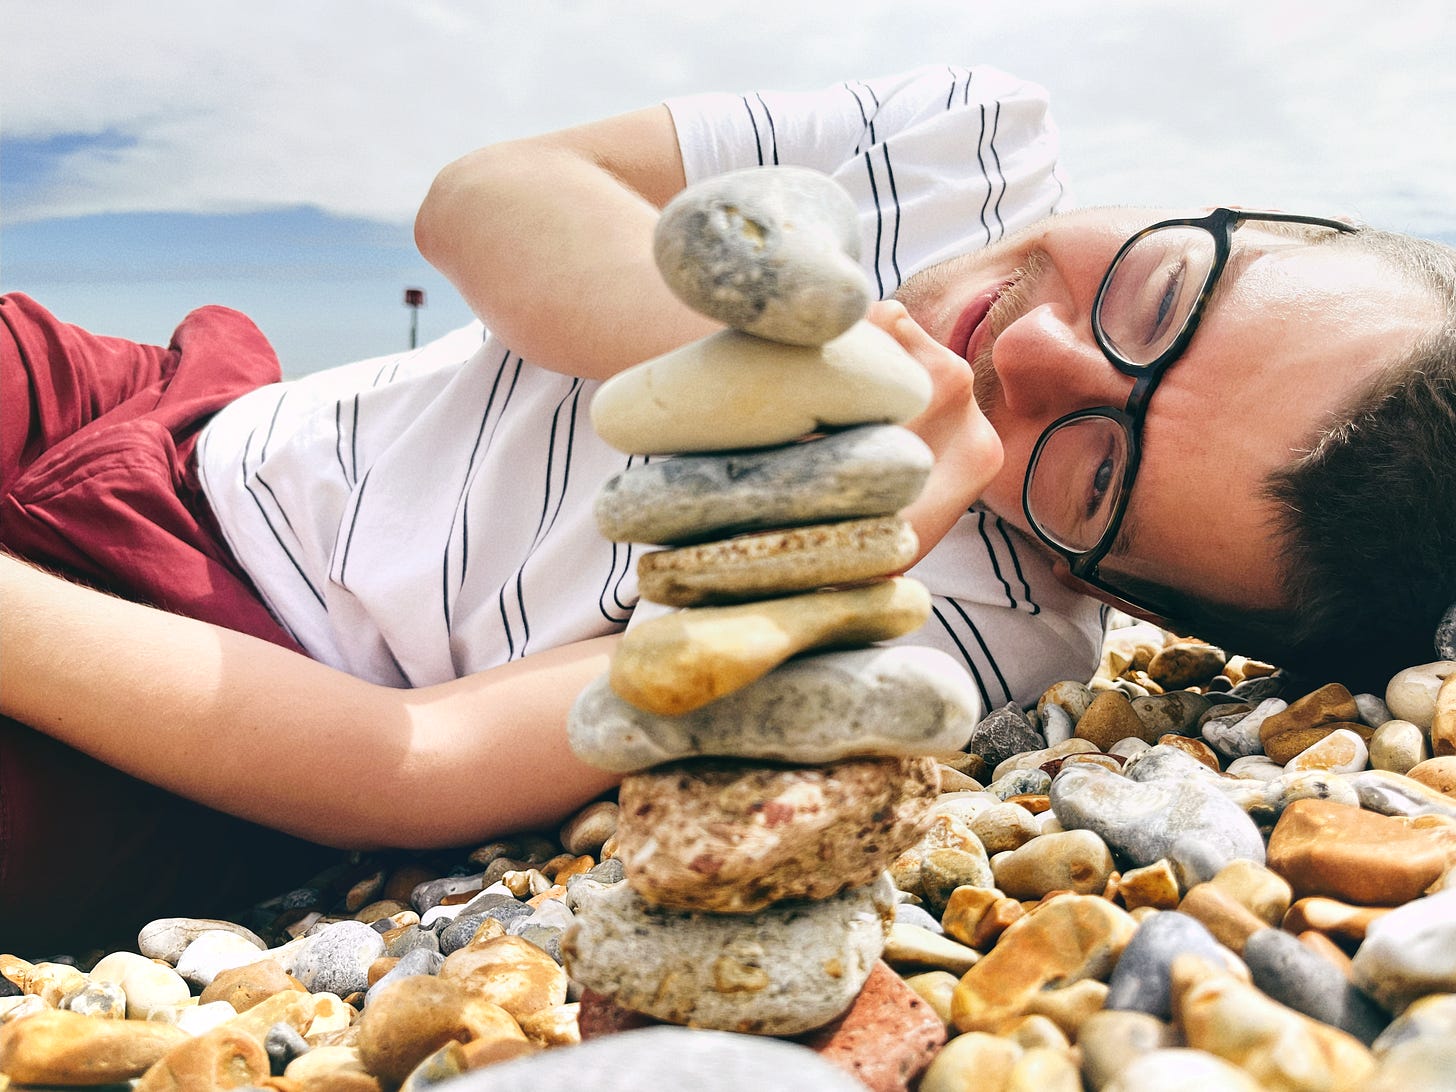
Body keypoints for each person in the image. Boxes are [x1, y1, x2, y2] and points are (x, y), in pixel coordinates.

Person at [2, 63, 1454, 951]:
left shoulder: (963, 650)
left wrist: (817, 555)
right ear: (1253, 212)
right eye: (1163, 289)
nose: (1029, 352)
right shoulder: (964, 149)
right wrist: (771, 361)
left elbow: (408, 760)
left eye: (1090, 469)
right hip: (166, 405)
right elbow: (487, 194)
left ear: (1126, 592)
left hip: (216, 678)